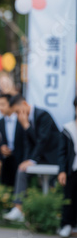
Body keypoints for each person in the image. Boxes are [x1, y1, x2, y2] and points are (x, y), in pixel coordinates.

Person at [3, 94, 60, 222]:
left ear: (24, 104)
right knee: (22, 170)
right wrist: (26, 161)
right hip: (38, 157)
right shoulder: (24, 120)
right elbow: (27, 144)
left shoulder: (43, 115)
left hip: (53, 157)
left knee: (52, 184)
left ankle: (53, 214)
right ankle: (18, 208)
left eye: (18, 111)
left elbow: (42, 141)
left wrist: (26, 126)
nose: (18, 115)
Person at [57, 97, 77, 237]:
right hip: (72, 169)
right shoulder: (67, 128)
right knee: (69, 197)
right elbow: (62, 152)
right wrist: (62, 170)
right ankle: (66, 225)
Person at [0, 94, 25, 186]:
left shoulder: (22, 119)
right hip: (6, 160)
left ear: (11, 104)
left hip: (21, 159)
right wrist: (1, 147)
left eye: (2, 104)